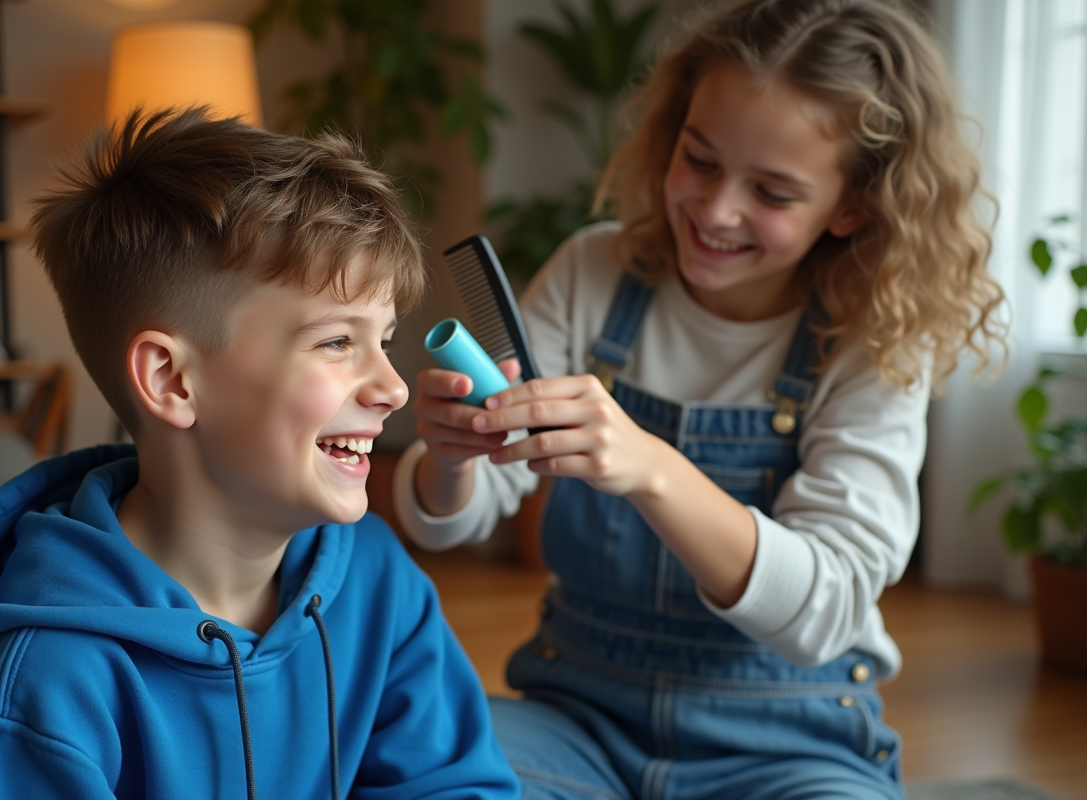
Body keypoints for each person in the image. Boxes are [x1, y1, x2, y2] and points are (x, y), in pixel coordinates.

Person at [392, 0, 1006, 798]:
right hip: (576, 719)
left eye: (774, 193)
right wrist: (451, 461)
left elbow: (826, 609)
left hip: (792, 743)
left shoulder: (871, 343)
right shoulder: (590, 275)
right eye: (701, 159)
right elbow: (451, 521)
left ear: (851, 206)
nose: (716, 211)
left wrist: (652, 467)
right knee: (426, 776)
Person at [0, 109, 520, 800]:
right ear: (171, 380)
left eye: (386, 340)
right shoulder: (41, 686)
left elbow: (455, 786)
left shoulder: (373, 578)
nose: (394, 388)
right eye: (337, 342)